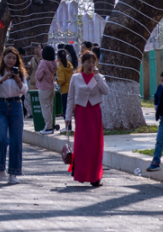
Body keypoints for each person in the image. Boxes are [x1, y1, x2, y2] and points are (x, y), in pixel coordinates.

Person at [65, 50, 109, 187]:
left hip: (94, 112)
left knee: (95, 145)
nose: (91, 64)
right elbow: (71, 97)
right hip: (81, 113)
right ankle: (80, 172)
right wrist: (68, 117)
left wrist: (97, 77)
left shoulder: (99, 77)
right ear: (82, 63)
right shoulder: (75, 77)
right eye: (88, 61)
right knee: (82, 144)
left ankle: (95, 177)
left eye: (93, 62)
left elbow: (106, 91)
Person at [0, 46, 28, 185]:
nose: (11, 60)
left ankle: (13, 173)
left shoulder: (20, 72)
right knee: (1, 138)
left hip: (16, 106)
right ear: (3, 57)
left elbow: (24, 91)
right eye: (9, 57)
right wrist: (3, 79)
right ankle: (0, 170)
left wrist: (17, 79)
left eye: (14, 58)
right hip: (0, 107)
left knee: (16, 140)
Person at [36, 45, 58, 134]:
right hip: (51, 87)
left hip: (43, 88)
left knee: (45, 109)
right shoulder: (53, 63)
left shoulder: (43, 63)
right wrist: (39, 49)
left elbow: (38, 76)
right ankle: (50, 125)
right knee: (50, 108)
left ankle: (48, 127)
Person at [56, 45, 75, 125]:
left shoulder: (60, 68)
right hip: (71, 88)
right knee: (70, 108)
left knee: (65, 109)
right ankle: (70, 126)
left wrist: (57, 81)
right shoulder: (69, 65)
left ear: (59, 57)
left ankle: (68, 126)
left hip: (64, 90)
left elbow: (61, 80)